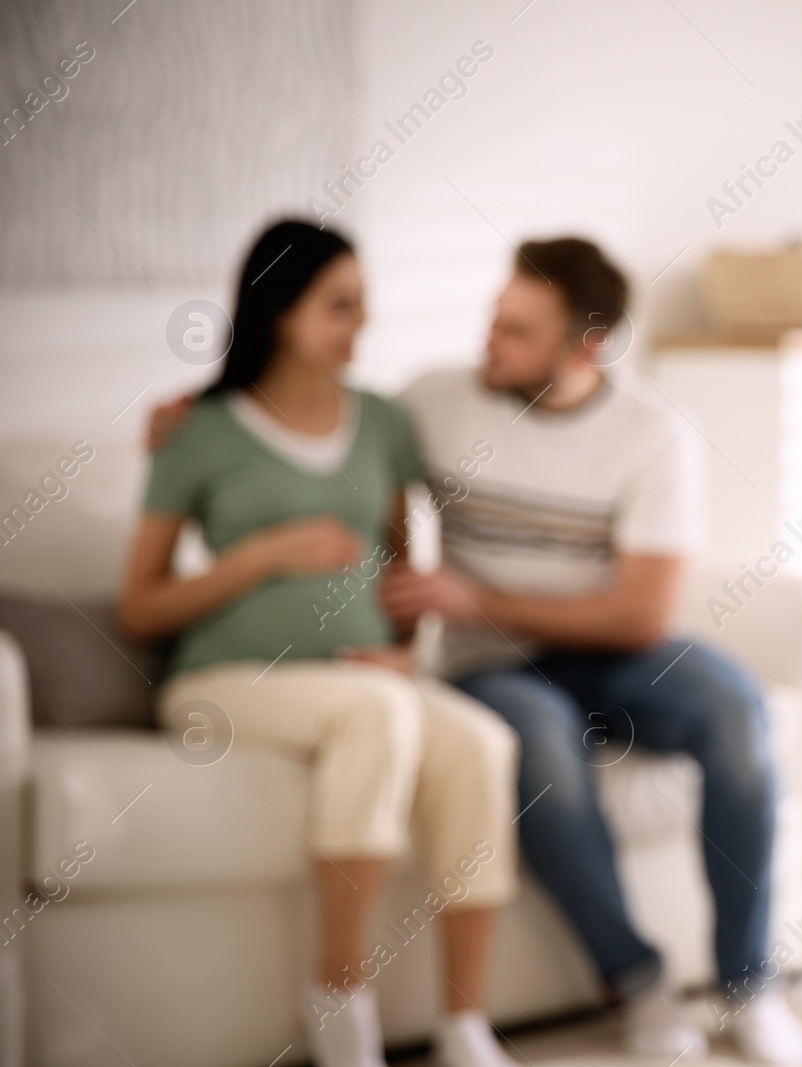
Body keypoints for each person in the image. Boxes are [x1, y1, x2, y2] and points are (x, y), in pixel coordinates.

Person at [375, 237, 802, 1065]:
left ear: (585, 346)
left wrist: (477, 597)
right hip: (491, 666)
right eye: (495, 319)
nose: (489, 342)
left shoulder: (652, 432)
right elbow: (339, 437)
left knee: (735, 708)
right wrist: (203, 411)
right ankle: (640, 985)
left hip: (614, 653)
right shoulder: (437, 402)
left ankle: (749, 985)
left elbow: (642, 614)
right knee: (539, 740)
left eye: (517, 331)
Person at [121, 220, 523, 1067]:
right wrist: (265, 552)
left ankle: (464, 1026)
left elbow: (403, 563)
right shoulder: (199, 429)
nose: (361, 325)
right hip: (223, 678)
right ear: (279, 310)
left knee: (483, 744)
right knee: (374, 713)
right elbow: (140, 606)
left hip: (362, 677)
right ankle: (341, 1008)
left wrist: (408, 649)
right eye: (340, 306)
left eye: (364, 305)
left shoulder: (381, 421)